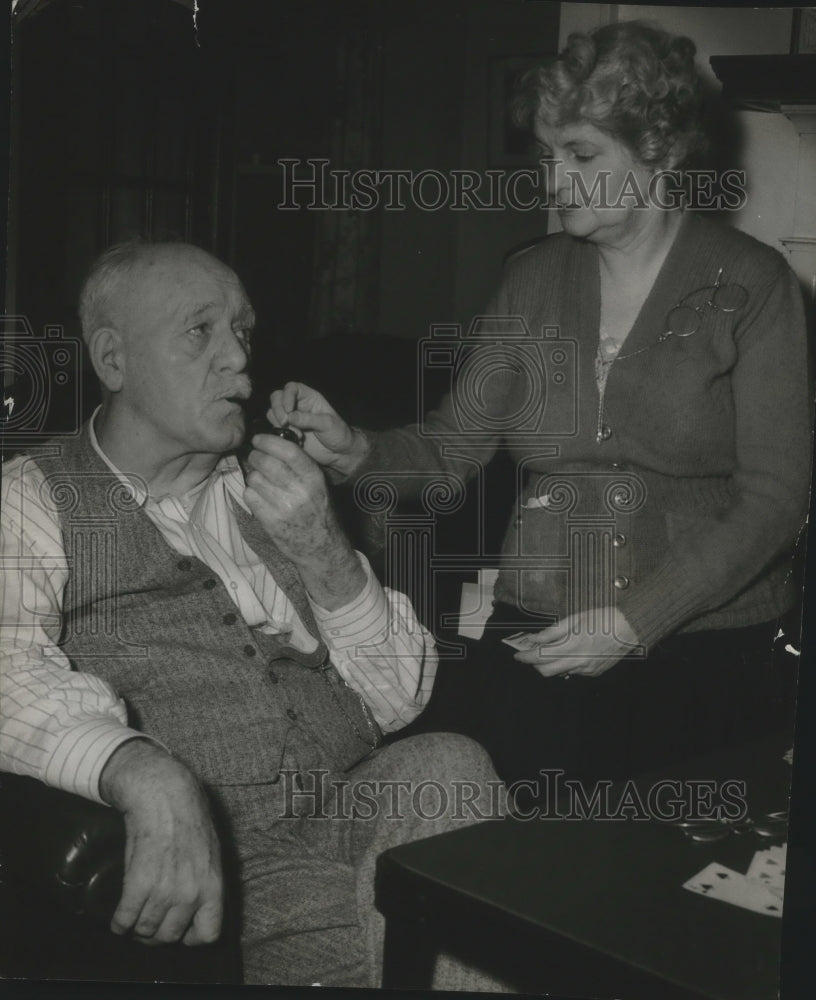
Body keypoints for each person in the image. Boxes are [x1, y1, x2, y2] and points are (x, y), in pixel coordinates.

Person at [264, 21, 812, 791]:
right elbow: (453, 446)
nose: (553, 181)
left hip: (703, 645)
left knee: (652, 889)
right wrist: (354, 445)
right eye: (549, 156)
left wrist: (632, 624)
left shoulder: (754, 286)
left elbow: (777, 500)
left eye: (581, 156)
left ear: (659, 151)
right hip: (539, 629)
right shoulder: (534, 279)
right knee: (517, 863)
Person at [0, 240, 509, 989]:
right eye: (200, 331)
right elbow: (6, 664)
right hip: (236, 860)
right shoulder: (32, 497)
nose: (238, 359)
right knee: (468, 937)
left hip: (350, 808)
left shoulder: (274, 489)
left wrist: (323, 547)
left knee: (449, 764)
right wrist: (141, 771)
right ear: (113, 360)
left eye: (243, 331)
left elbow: (400, 699)